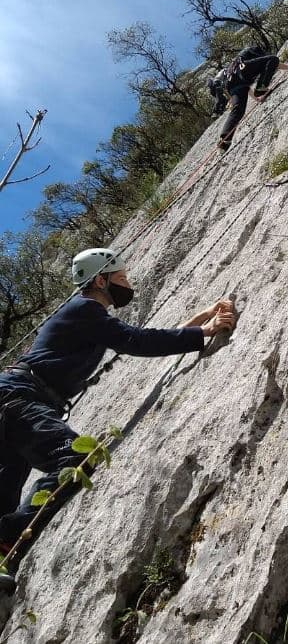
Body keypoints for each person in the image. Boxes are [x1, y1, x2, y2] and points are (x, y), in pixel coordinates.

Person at [0, 248, 236, 595]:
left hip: (14, 399)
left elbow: (135, 341)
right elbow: (135, 341)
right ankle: (8, 539)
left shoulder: (84, 316)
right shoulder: (85, 309)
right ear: (100, 280)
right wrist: (203, 332)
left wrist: (197, 326)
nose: (127, 283)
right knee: (76, 458)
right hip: (20, 399)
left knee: (5, 490)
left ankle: (4, 551)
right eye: (121, 277)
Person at [214, 45, 288, 152]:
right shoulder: (253, 50)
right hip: (241, 71)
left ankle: (224, 140)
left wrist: (256, 99)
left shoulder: (236, 64)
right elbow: (272, 62)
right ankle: (261, 87)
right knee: (273, 59)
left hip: (231, 83)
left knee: (238, 109)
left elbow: (245, 85)